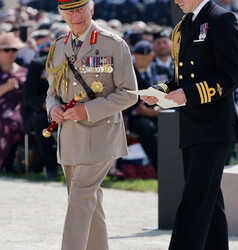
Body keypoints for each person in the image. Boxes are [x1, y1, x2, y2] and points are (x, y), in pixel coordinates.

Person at [141, 0, 238, 249]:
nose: (175, 0)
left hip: (214, 127)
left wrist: (189, 94)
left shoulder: (222, 20)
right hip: (191, 126)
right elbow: (180, 77)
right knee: (209, 203)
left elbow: (232, 75)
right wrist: (159, 90)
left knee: (194, 201)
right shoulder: (183, 25)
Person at [45, 0, 137, 249]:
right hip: (69, 137)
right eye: (69, 11)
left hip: (101, 133)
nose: (76, 16)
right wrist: (52, 108)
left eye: (80, 9)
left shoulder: (113, 44)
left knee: (79, 202)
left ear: (92, 9)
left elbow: (129, 93)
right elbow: (52, 92)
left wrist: (87, 109)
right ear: (61, 14)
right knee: (89, 204)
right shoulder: (59, 47)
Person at [124, 40, 172, 170]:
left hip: (161, 111)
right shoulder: (128, 72)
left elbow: (172, 90)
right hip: (137, 115)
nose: (141, 62)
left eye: (145, 58)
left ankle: (172, 162)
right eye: (138, 58)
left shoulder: (162, 70)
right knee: (146, 127)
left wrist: (161, 108)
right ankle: (159, 165)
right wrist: (137, 111)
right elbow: (123, 95)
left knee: (170, 124)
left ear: (151, 57)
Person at [23, 29, 58, 178]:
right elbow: (29, 95)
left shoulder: (68, 61)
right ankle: (50, 168)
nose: (47, 48)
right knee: (39, 122)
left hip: (68, 107)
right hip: (45, 111)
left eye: (49, 43)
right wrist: (45, 105)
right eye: (43, 45)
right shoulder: (37, 64)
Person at [0, 32, 27, 171]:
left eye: (14, 49)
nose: (10, 52)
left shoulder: (24, 70)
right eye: (6, 49)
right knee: (7, 120)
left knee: (13, 121)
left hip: (20, 108)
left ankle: (10, 163)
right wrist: (6, 87)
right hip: (2, 108)